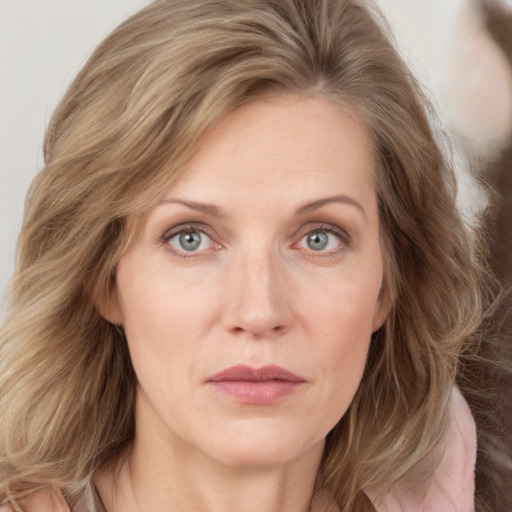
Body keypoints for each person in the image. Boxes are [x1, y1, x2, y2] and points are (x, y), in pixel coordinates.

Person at [0, 0, 507, 510]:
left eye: (318, 238)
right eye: (190, 238)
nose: (259, 311)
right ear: (105, 279)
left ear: (388, 283)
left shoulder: (454, 481)